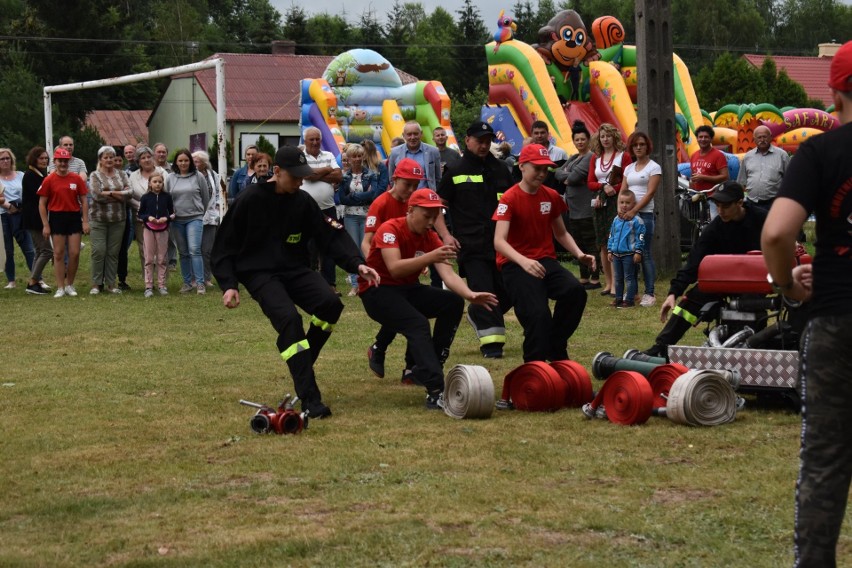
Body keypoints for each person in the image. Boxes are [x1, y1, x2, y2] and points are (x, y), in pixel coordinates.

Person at [761, 40, 852, 568]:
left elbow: (776, 234)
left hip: (839, 317)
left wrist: (788, 287)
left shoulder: (819, 154)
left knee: (825, 459)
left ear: (833, 94)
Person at [211, 145, 380, 419]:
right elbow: (224, 245)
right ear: (276, 172)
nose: (301, 182)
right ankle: (311, 399)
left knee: (330, 305)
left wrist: (357, 263)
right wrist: (229, 284)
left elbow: (330, 235)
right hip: (259, 273)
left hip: (294, 269)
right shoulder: (249, 199)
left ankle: (302, 359)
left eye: (303, 176)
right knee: (290, 320)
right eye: (295, 176)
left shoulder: (301, 201)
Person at [360, 188, 498, 408]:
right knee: (418, 324)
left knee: (452, 302)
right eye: (427, 216)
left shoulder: (430, 236)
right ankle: (436, 390)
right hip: (377, 291)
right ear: (411, 210)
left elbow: (448, 274)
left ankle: (429, 365)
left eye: (435, 217)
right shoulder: (390, 229)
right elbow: (394, 269)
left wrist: (470, 294)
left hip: (406, 289)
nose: (431, 222)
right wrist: (430, 257)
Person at [493, 144, 595, 362]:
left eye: (545, 169)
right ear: (522, 166)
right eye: (536, 168)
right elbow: (499, 242)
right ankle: (534, 367)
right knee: (538, 316)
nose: (541, 173)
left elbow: (561, 233)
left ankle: (555, 346)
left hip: (545, 261)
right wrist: (523, 262)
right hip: (515, 265)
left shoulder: (550, 196)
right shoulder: (509, 198)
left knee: (575, 291)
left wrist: (579, 254)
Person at [643, 181, 766, 356]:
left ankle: (750, 349)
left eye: (725, 206)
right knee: (690, 301)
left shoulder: (763, 220)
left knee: (748, 307)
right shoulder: (715, 228)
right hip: (724, 281)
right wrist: (673, 293)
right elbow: (694, 261)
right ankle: (660, 348)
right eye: (717, 205)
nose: (720, 210)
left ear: (740, 203)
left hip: (755, 283)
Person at [438, 120, 515, 359]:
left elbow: (514, 202)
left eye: (487, 141)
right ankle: (492, 345)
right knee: (485, 291)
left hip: (502, 244)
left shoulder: (502, 169)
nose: (484, 145)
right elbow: (437, 207)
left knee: (511, 290)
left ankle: (476, 311)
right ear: (467, 141)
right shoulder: (455, 171)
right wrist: (446, 235)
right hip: (472, 245)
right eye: (479, 140)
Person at [362, 158, 423, 380]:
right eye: (407, 184)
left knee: (413, 316)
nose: (412, 190)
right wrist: (372, 269)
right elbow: (366, 242)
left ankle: (408, 367)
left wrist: (421, 258)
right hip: (386, 274)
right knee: (407, 316)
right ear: (394, 180)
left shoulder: (415, 203)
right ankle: (382, 351)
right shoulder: (381, 204)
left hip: (406, 272)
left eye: (416, 185)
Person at [38, 147, 89, 298]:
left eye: (65, 161)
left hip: (73, 217)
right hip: (57, 217)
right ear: (55, 161)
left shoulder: (76, 178)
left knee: (74, 253)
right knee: (58, 253)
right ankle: (60, 286)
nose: (63, 164)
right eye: (60, 161)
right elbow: (42, 204)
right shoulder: (49, 179)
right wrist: (46, 225)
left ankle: (70, 284)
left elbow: (84, 200)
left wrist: (85, 221)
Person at [555, 120, 600, 289]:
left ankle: (595, 278)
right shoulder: (574, 157)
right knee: (578, 243)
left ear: (588, 140)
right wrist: (567, 175)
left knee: (590, 243)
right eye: (577, 139)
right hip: (573, 209)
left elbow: (572, 178)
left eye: (583, 139)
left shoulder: (590, 157)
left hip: (586, 208)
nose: (580, 142)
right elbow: (558, 173)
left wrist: (568, 176)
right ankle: (584, 277)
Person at [588, 123, 632, 297]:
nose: (605, 139)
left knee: (615, 241)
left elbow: (628, 180)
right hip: (600, 201)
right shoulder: (595, 158)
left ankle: (618, 283)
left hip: (617, 201)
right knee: (602, 244)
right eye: (602, 136)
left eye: (608, 135)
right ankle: (608, 282)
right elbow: (590, 182)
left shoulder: (624, 156)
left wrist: (615, 188)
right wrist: (604, 186)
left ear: (614, 136)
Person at [620, 131, 661, 307]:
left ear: (647, 146)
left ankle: (649, 293)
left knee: (644, 254)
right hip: (626, 216)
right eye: (635, 145)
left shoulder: (654, 167)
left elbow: (650, 192)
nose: (638, 147)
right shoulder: (628, 168)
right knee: (628, 253)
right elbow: (622, 191)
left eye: (642, 144)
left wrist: (634, 210)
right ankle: (632, 292)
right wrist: (620, 211)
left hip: (644, 215)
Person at [301, 127, 344, 295]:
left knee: (329, 247)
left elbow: (339, 176)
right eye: (311, 139)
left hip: (328, 210)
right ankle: (309, 285)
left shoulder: (329, 155)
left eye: (317, 139)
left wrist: (316, 173)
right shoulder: (300, 156)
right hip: (306, 211)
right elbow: (307, 175)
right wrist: (327, 170)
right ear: (305, 141)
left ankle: (330, 285)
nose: (314, 142)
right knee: (308, 247)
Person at [88, 146, 131, 294]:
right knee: (98, 251)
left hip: (118, 219)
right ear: (100, 159)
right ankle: (96, 283)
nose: (109, 160)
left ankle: (111, 284)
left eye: (111, 157)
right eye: (105, 157)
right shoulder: (94, 175)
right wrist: (119, 195)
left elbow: (130, 194)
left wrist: (109, 192)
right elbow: (96, 195)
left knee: (113, 252)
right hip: (98, 219)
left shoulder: (123, 174)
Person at [167, 149, 210, 294]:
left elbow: (205, 197)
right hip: (177, 220)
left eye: (186, 160)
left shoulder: (198, 176)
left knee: (194, 250)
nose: (183, 163)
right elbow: (167, 198)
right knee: (183, 252)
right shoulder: (170, 178)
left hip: (194, 218)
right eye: (180, 161)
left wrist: (199, 212)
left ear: (190, 162)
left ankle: (200, 283)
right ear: (176, 163)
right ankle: (187, 283)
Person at [339, 143, 380, 296]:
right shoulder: (344, 177)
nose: (356, 159)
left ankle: (368, 281)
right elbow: (342, 198)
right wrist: (363, 196)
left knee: (367, 249)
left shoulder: (371, 174)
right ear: (348, 159)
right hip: (350, 216)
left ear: (363, 157)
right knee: (353, 250)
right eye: (353, 156)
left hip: (367, 216)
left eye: (359, 156)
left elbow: (374, 194)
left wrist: (354, 196)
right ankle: (355, 284)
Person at [128, 146, 168, 279]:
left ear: (153, 158)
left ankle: (161, 279)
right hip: (141, 217)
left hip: (161, 218)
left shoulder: (162, 172)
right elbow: (130, 196)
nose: (146, 160)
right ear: (138, 161)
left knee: (161, 250)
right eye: (142, 158)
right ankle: (149, 280)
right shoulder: (133, 176)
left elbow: (168, 194)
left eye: (148, 157)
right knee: (144, 249)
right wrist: (144, 207)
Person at [0, 147, 36, 289]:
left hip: (21, 216)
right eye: (2, 159)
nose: (5, 161)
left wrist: (20, 207)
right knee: (8, 249)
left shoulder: (21, 175)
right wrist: (8, 206)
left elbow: (28, 194)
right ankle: (11, 280)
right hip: (3, 217)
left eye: (7, 158)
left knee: (28, 248)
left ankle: (37, 277)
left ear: (12, 160)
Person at [20, 147, 53, 295]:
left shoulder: (40, 174)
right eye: (41, 158)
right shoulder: (30, 175)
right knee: (46, 251)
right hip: (34, 218)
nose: (44, 161)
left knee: (40, 251)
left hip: (36, 217)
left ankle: (34, 281)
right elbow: (40, 195)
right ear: (34, 159)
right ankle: (33, 281)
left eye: (46, 158)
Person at [606, 189, 645, 308]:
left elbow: (641, 237)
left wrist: (638, 252)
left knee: (629, 278)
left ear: (633, 204)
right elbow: (612, 235)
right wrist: (610, 250)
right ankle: (618, 299)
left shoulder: (637, 221)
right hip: (616, 254)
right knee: (618, 278)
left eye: (627, 203)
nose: (624, 205)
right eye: (622, 202)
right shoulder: (616, 219)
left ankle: (629, 300)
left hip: (629, 254)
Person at [737, 124, 789, 212]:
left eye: (765, 137)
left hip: (773, 204)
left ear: (770, 137)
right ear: (754, 139)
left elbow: (789, 180)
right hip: (751, 203)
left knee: (771, 226)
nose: (762, 140)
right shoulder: (748, 156)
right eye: (759, 137)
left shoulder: (782, 155)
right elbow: (741, 182)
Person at [138, 173, 175, 297]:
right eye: (155, 182)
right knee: (148, 258)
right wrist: (148, 217)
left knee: (162, 258)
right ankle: (148, 286)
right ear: (150, 183)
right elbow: (140, 213)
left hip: (163, 229)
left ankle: (162, 285)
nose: (157, 184)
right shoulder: (145, 197)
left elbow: (173, 213)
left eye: (160, 182)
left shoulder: (167, 197)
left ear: (163, 183)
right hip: (149, 228)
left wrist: (167, 218)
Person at [192, 150, 222, 288]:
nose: (193, 163)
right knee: (194, 248)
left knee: (207, 250)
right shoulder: (190, 176)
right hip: (193, 215)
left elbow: (218, 193)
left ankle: (206, 278)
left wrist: (216, 208)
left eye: (196, 161)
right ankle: (194, 279)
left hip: (210, 217)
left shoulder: (213, 175)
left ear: (204, 163)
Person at [387, 121, 442, 190]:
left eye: (415, 134)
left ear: (421, 134)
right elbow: (392, 178)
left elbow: (438, 178)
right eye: (409, 134)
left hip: (425, 197)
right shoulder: (394, 152)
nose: (412, 137)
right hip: (404, 198)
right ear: (403, 135)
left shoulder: (433, 151)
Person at [690, 125, 729, 218]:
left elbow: (725, 177)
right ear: (697, 139)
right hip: (698, 197)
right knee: (698, 223)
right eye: (700, 137)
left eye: (706, 137)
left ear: (711, 139)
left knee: (714, 222)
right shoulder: (694, 155)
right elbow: (693, 176)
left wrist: (703, 177)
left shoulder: (718, 155)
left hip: (714, 198)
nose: (703, 139)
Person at [530, 120, 568, 189]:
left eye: (542, 133)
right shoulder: (526, 154)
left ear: (548, 134)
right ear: (531, 135)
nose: (539, 136)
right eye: (536, 133)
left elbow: (566, 176)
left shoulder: (560, 153)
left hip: (556, 195)